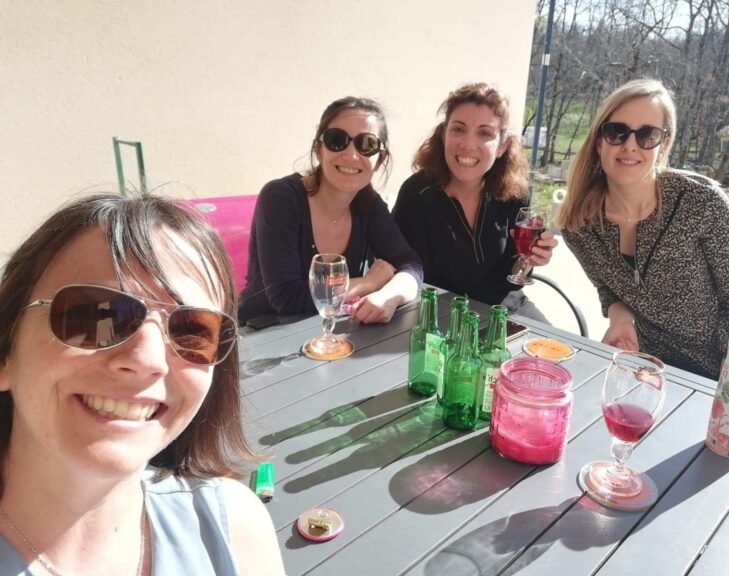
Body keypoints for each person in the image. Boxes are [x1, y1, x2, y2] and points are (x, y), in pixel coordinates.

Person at [0, 193, 285, 575]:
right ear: (6, 351)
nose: (147, 360)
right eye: (95, 315)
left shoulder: (233, 530)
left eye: (192, 331)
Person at [557, 78, 729, 380]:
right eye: (617, 132)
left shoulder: (701, 202)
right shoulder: (579, 224)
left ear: (664, 143)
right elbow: (607, 287)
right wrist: (620, 318)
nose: (630, 145)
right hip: (642, 367)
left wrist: (728, 379)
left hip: (717, 373)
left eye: (647, 135)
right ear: (599, 140)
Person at [239, 97, 423, 326]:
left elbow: (410, 265)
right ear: (319, 150)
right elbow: (288, 298)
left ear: (379, 159)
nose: (351, 155)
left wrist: (389, 296)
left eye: (367, 145)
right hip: (264, 332)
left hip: (333, 331)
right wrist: (369, 283)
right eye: (337, 140)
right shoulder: (281, 198)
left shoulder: (369, 206)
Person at [392, 82, 556, 320]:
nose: (468, 144)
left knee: (555, 345)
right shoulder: (417, 194)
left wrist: (529, 260)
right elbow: (402, 270)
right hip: (442, 316)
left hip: (507, 311)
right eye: (458, 129)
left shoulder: (516, 192)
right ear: (443, 135)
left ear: (502, 147)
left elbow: (513, 272)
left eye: (485, 133)